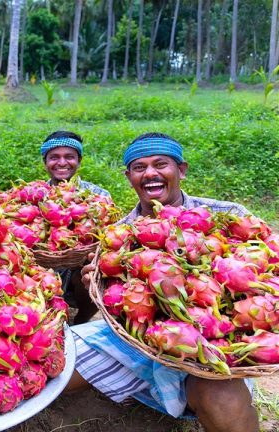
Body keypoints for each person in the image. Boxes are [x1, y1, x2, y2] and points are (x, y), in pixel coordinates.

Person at [67, 132, 258, 432]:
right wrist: (95, 283)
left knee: (220, 395)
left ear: (181, 170)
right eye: (139, 167)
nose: (150, 173)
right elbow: (116, 304)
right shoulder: (117, 235)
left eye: (161, 164)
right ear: (128, 176)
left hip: (214, 345)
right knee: (58, 364)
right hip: (137, 341)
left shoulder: (228, 215)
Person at [40, 131, 111, 324]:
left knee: (93, 269)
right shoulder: (34, 196)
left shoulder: (98, 195)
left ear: (79, 161)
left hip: (79, 270)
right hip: (42, 267)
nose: (62, 163)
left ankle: (80, 321)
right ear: (45, 162)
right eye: (54, 157)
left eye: (69, 157)